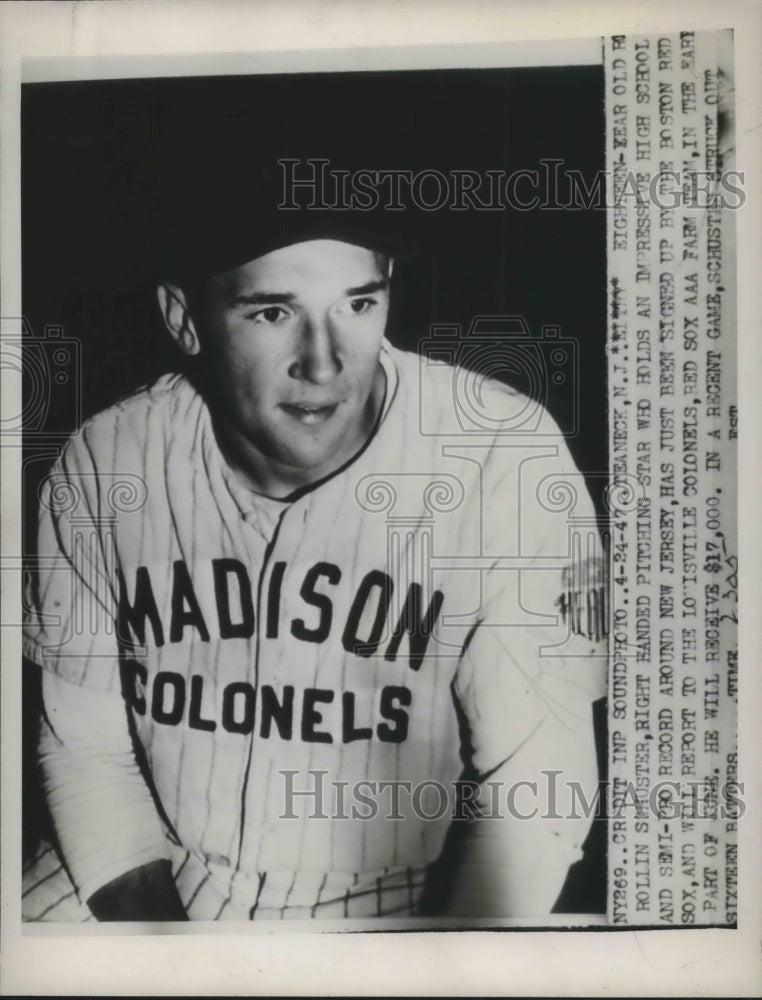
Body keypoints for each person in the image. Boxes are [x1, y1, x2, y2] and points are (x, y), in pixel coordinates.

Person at [22, 225, 607, 922]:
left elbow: (536, 791)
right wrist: (170, 962)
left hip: (399, 898)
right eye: (273, 312)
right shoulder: (106, 459)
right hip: (149, 862)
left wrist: (448, 967)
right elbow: (84, 750)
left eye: (357, 305)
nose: (324, 364)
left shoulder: (502, 454)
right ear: (183, 317)